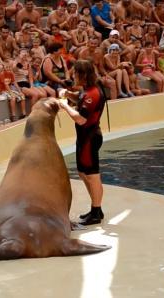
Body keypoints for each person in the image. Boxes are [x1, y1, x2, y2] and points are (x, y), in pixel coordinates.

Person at [58, 59, 106, 226]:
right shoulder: (88, 90)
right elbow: (80, 97)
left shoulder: (92, 94)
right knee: (83, 173)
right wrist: (69, 95)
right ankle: (95, 209)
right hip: (84, 138)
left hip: (90, 138)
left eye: (75, 73)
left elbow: (80, 119)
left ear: (83, 75)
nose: (73, 75)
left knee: (92, 176)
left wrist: (65, 106)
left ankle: (96, 211)